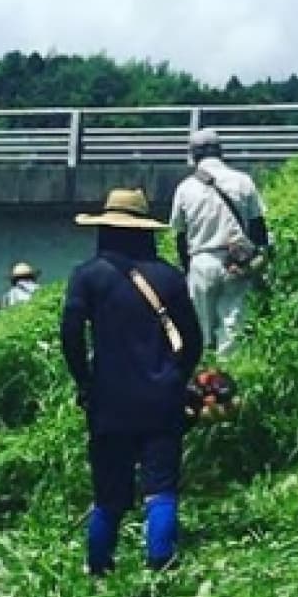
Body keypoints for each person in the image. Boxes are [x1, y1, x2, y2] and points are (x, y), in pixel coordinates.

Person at [62, 188, 205, 576]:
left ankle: (98, 568)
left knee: (109, 494)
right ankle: (160, 561)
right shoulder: (169, 277)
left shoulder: (87, 277)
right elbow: (192, 340)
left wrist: (85, 382)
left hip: (109, 400)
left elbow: (71, 336)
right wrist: (175, 377)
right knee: (160, 487)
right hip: (161, 398)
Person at [169, 129, 271, 353]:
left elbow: (180, 235)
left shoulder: (185, 188)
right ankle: (229, 369)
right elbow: (258, 228)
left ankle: (205, 369)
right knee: (232, 327)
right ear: (220, 151)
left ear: (193, 155)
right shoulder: (243, 181)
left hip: (201, 261)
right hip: (237, 261)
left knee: (200, 330)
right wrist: (257, 260)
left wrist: (188, 270)